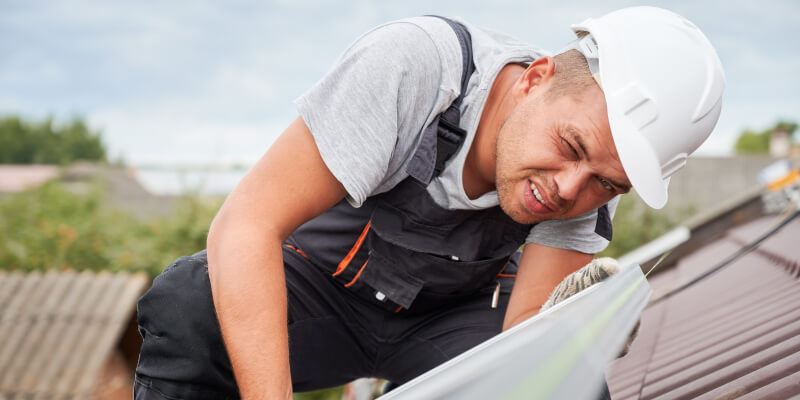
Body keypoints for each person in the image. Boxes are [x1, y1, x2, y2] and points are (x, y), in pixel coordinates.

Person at [133, 7, 724, 400]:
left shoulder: (597, 176)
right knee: (189, 305)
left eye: (607, 183)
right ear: (535, 78)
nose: (571, 189)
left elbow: (522, 347)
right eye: (570, 147)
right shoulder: (416, 67)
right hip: (318, 299)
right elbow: (246, 225)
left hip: (446, 327)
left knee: (572, 386)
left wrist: (569, 334)